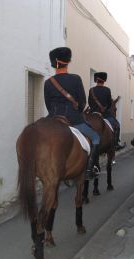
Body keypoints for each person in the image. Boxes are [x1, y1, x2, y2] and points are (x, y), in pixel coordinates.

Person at [44, 47, 100, 180]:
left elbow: (48, 105)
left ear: (54, 63)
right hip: (74, 119)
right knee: (96, 138)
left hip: (53, 118)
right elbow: (82, 102)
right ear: (68, 61)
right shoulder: (76, 79)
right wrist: (78, 112)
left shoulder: (48, 82)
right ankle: (89, 169)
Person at [88, 72, 125, 151]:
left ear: (96, 80)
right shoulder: (107, 90)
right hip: (104, 114)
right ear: (104, 81)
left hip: (92, 113)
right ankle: (116, 144)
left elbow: (89, 103)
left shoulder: (91, 90)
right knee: (117, 125)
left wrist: (94, 108)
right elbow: (109, 103)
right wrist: (104, 108)